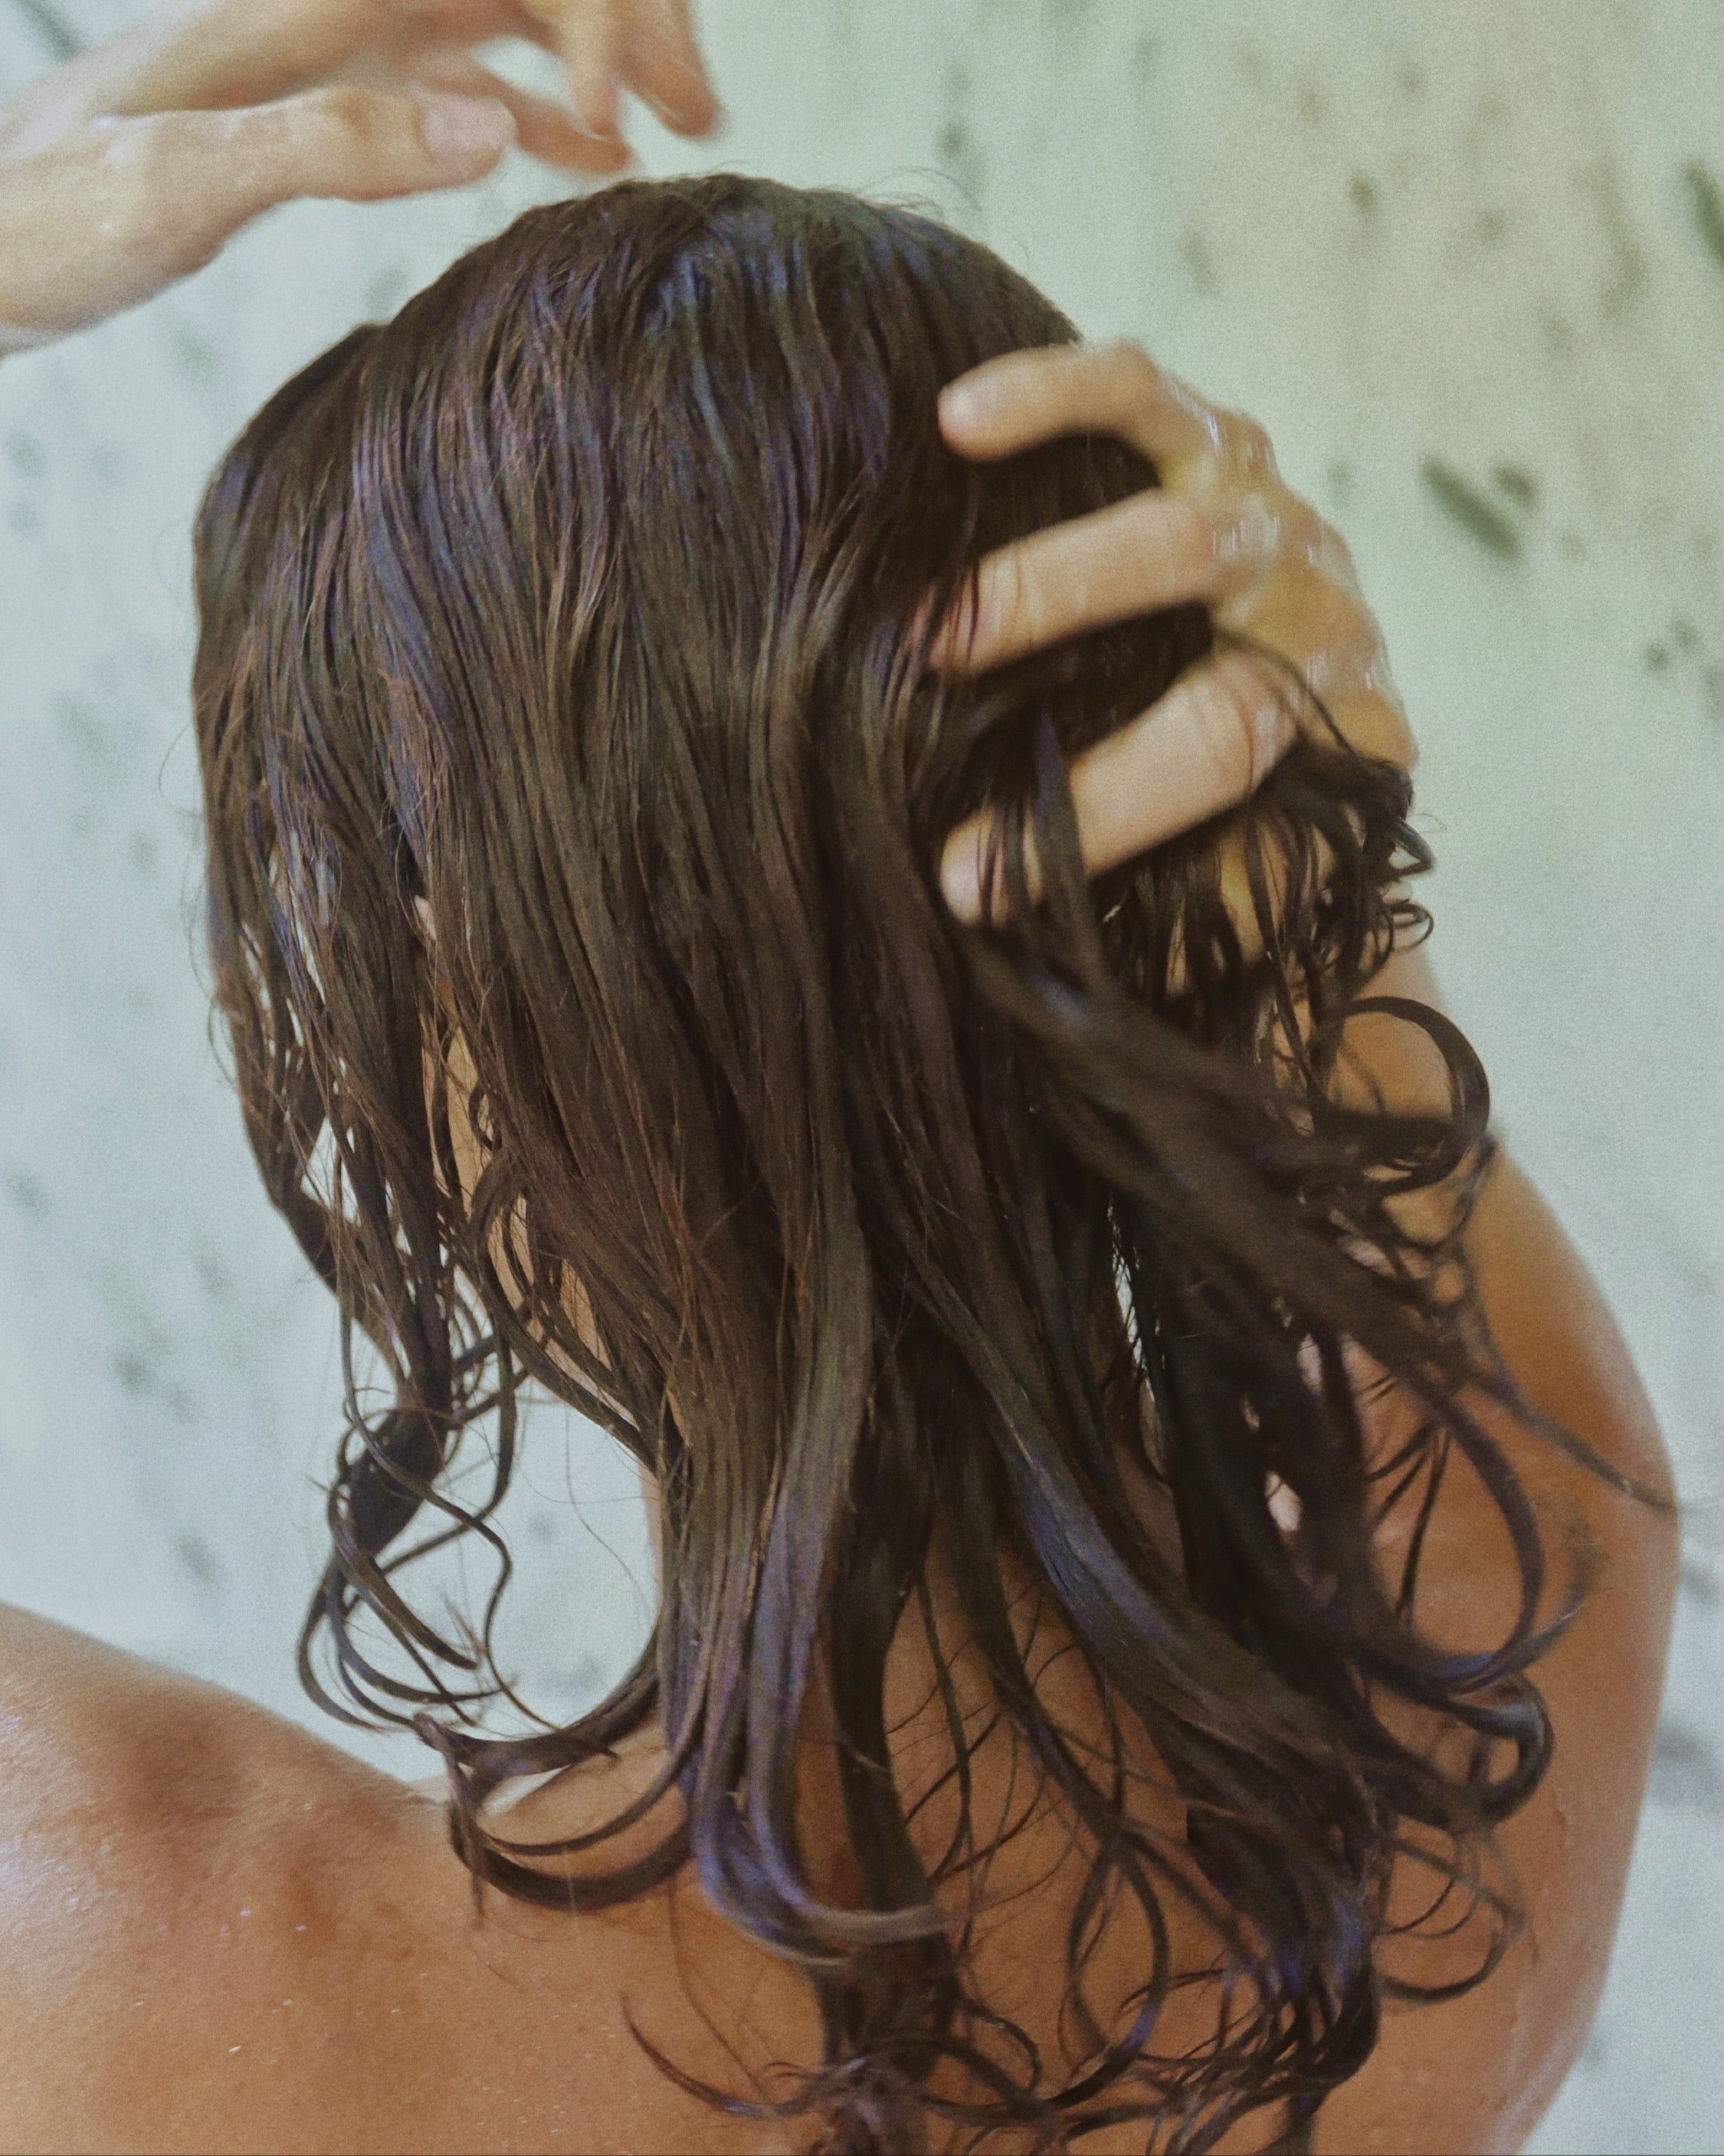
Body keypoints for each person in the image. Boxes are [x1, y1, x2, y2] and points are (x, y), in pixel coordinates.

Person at [0, 4, 1679, 2152]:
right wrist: (1300, 803)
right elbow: (1346, 1073)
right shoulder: (1476, 1745)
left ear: (444, 1047)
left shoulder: (126, 1961)